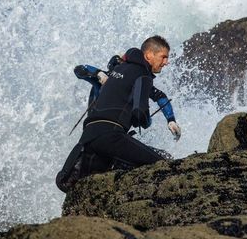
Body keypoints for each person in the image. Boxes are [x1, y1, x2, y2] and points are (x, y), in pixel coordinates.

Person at [56, 36, 181, 192]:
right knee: (164, 165)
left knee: (70, 184)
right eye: (163, 57)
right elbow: (140, 113)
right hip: (111, 137)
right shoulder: (143, 75)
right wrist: (148, 120)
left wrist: (171, 120)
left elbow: (81, 69)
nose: (166, 62)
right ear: (149, 55)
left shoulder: (115, 71)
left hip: (88, 138)